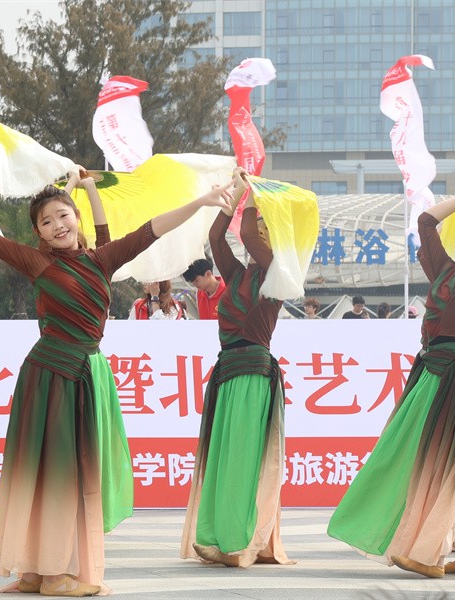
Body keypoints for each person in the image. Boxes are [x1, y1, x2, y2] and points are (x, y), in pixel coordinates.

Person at [0, 166, 234, 596]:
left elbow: (153, 228)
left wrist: (201, 201)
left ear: (76, 217)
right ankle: (41, 573)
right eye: (46, 222)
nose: (57, 225)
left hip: (78, 378)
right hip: (46, 377)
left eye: (62, 215)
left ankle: (51, 570)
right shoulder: (38, 262)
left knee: (66, 477)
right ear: (38, 233)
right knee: (43, 475)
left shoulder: (102, 259)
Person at [327, 186, 455, 578]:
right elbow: (427, 222)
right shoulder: (446, 271)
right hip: (433, 368)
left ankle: (430, 553)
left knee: (444, 460)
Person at [181, 167, 292, 569]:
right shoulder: (237, 274)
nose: (259, 232)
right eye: (259, 224)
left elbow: (246, 235)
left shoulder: (278, 272)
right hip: (227, 374)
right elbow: (216, 238)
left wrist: (251, 193)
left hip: (253, 376)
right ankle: (217, 534)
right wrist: (234, 200)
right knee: (223, 457)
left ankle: (240, 540)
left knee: (244, 459)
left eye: (266, 227)